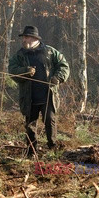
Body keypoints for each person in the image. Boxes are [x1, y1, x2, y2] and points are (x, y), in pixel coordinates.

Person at [8, 26, 69, 157]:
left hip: (48, 96)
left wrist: (58, 77)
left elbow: (64, 66)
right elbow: (12, 71)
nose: (23, 40)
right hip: (29, 97)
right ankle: (31, 151)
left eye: (26, 37)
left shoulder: (50, 52)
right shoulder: (19, 55)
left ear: (34, 39)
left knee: (50, 120)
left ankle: (52, 148)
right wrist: (24, 71)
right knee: (30, 124)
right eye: (23, 37)